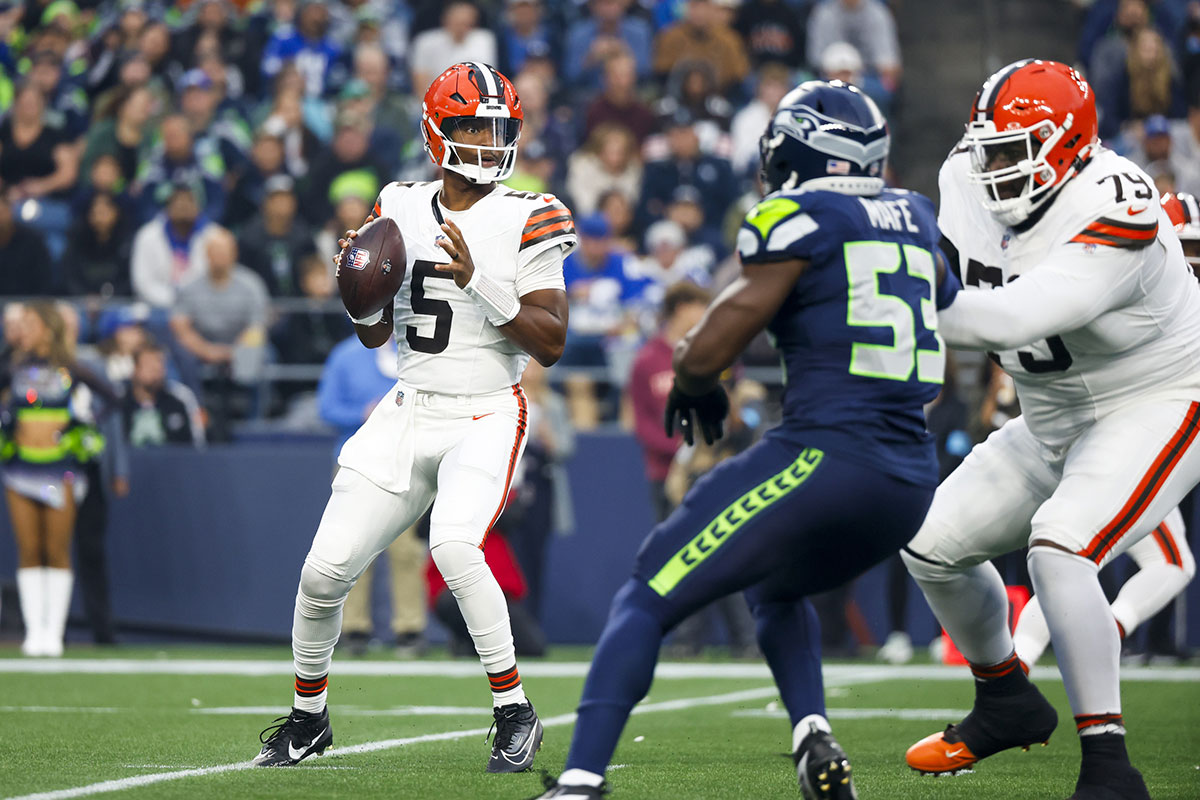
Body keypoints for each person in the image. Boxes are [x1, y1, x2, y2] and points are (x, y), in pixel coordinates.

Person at [537, 80, 953, 799]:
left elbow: (703, 350)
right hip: (911, 478)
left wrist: (700, 383)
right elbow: (948, 314)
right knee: (775, 586)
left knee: (647, 588)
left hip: (829, 453)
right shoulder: (915, 216)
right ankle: (812, 736)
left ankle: (579, 783)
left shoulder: (798, 215)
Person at [252, 62, 575, 774]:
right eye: (471, 126)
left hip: (486, 409)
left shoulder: (531, 212)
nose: (488, 141)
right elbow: (374, 332)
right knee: (323, 572)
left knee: (456, 548)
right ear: (437, 131)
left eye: (497, 127)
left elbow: (551, 342)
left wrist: (477, 280)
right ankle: (308, 719)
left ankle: (513, 711)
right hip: (408, 404)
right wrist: (358, 286)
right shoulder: (398, 202)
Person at [900, 60, 1200, 800]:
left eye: (1014, 150)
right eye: (989, 149)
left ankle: (1108, 763)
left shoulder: (1118, 202)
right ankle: (1004, 698)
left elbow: (1011, 318)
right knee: (930, 544)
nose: (994, 167)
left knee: (1061, 548)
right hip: (1050, 412)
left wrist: (892, 288)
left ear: (1068, 146)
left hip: (1157, 399)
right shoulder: (964, 181)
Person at [4, 302, 117, 657]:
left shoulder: (70, 368)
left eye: (30, 322)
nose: (23, 329)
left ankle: (52, 633)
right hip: (20, 468)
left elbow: (113, 398)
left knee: (56, 549)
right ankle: (33, 631)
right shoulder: (11, 365)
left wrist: (81, 425)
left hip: (61, 469)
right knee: (29, 549)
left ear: (48, 328)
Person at [629, 281, 711, 522]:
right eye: (701, 307)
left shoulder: (711, 353)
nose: (706, 314)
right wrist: (679, 447)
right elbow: (641, 421)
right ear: (682, 308)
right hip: (665, 471)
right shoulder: (647, 359)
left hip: (708, 467)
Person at [121, 342, 205, 447]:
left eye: (160, 365)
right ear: (135, 369)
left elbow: (196, 444)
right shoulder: (120, 404)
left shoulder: (180, 399)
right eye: (149, 365)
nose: (156, 371)